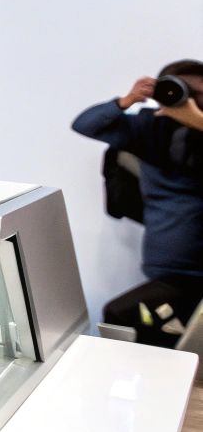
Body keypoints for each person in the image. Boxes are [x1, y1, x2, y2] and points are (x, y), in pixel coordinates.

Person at [72, 59, 203, 345]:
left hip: (193, 274)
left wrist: (196, 121)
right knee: (141, 328)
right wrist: (127, 100)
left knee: (123, 315)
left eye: (200, 94)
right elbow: (84, 124)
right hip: (167, 271)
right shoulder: (148, 128)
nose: (192, 100)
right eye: (185, 91)